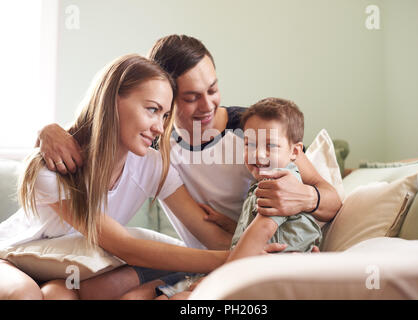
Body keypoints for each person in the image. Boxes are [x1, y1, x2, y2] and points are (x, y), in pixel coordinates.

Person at [36, 35, 342, 299]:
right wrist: (47, 132)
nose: (208, 105)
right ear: (165, 98)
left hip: (262, 249)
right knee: (103, 292)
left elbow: (331, 201)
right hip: (211, 255)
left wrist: (305, 198)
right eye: (192, 97)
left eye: (212, 89)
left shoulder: (254, 132)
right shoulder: (153, 144)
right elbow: (102, 129)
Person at [0, 54, 253, 300]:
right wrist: (232, 259)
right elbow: (125, 247)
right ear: (112, 100)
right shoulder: (54, 168)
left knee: (59, 294)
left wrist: (257, 252)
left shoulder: (151, 165)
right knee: (26, 294)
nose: (159, 127)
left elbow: (206, 230)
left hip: (69, 267)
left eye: (165, 115)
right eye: (152, 110)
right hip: (11, 259)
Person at [152, 97, 323, 300]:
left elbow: (261, 231)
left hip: (271, 273)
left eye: (270, 146)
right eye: (250, 144)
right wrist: (227, 223)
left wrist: (218, 278)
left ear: (295, 151)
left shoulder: (279, 183)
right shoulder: (260, 181)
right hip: (254, 267)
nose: (258, 154)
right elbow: (254, 228)